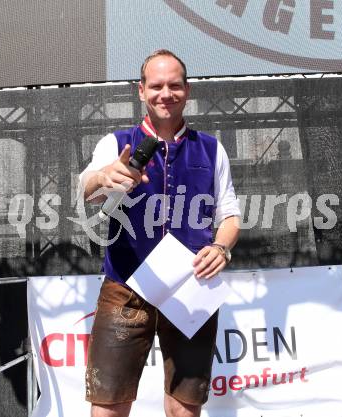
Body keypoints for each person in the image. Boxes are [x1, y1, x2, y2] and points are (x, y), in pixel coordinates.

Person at [80, 49, 240, 417]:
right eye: (156, 86)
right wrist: (103, 177)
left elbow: (230, 215)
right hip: (126, 286)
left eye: (174, 85)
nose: (165, 93)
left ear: (187, 90)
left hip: (192, 286)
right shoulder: (116, 141)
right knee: (108, 407)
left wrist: (221, 247)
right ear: (141, 91)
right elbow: (86, 188)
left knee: (185, 408)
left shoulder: (212, 149)